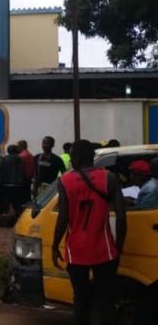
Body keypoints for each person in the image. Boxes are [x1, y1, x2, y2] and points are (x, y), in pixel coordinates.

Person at [52, 139, 126, 325]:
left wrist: (54, 245)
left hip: (76, 250)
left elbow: (63, 218)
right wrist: (119, 247)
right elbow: (121, 216)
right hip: (104, 249)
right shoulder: (108, 178)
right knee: (105, 301)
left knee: (81, 301)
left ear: (75, 158)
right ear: (92, 157)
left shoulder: (65, 181)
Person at [0, 145, 26, 217]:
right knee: (17, 202)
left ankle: (7, 217)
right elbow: (22, 171)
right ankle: (18, 217)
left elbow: (2, 171)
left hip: (6, 184)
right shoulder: (19, 158)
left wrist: (2, 181)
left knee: (6, 201)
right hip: (17, 184)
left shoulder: (4, 159)